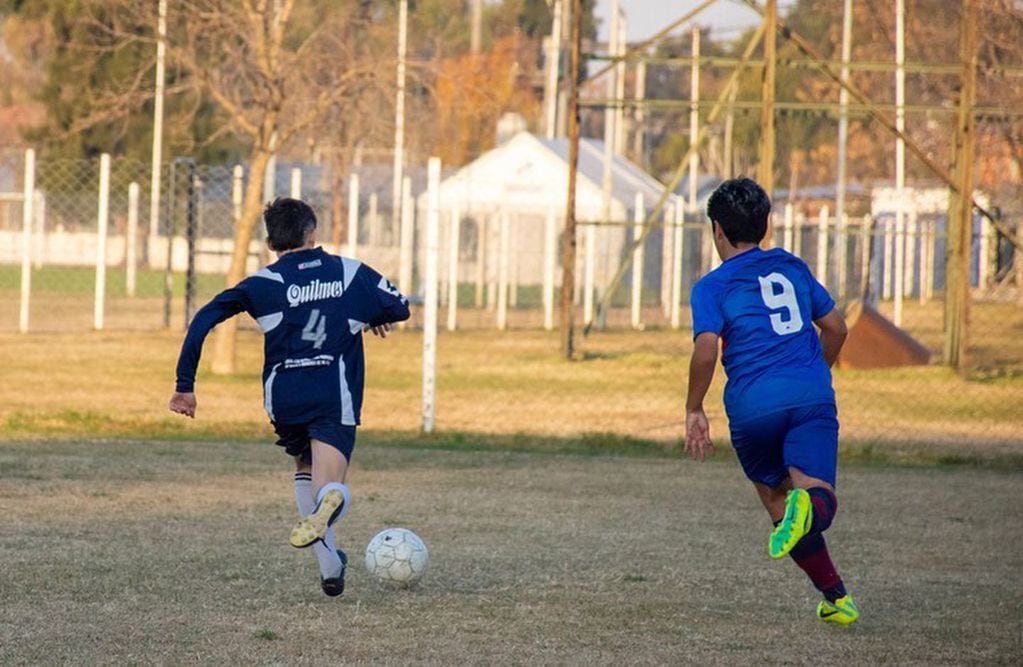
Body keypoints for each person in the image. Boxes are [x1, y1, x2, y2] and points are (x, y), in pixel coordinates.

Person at [168, 197, 410, 597]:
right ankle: (333, 497)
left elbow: (204, 319)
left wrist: (184, 385)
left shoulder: (263, 283)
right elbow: (399, 307)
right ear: (312, 233)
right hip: (333, 393)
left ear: (271, 242)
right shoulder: (349, 272)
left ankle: (331, 568)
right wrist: (374, 316)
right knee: (329, 488)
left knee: (304, 464)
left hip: (285, 396)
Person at [683, 178, 857, 625]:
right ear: (765, 225)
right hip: (810, 394)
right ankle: (813, 519)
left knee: (779, 502)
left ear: (717, 229)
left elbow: (706, 350)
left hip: (752, 406)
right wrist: (817, 374)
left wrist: (694, 408)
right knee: (817, 496)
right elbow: (836, 328)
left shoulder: (711, 286)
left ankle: (836, 598)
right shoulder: (792, 266)